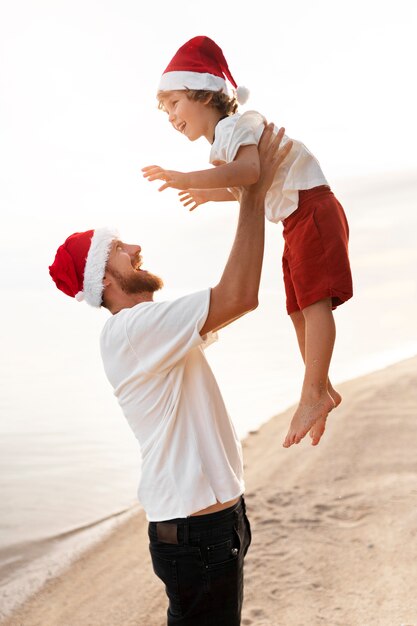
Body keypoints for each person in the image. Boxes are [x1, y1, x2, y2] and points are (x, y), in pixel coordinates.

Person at [49, 124, 292, 626]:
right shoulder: (132, 330)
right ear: (104, 278)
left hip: (215, 525)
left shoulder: (147, 331)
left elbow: (232, 304)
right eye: (118, 247)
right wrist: (252, 191)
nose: (135, 247)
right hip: (196, 534)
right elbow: (239, 295)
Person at [142, 35, 353, 450]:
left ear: (204, 93)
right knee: (297, 310)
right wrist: (210, 191)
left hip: (312, 208)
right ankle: (321, 386)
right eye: (165, 109)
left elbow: (250, 171)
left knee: (314, 305)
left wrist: (189, 179)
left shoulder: (239, 124)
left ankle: (311, 393)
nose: (170, 116)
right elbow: (245, 183)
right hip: (293, 219)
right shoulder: (225, 140)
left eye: (174, 104)